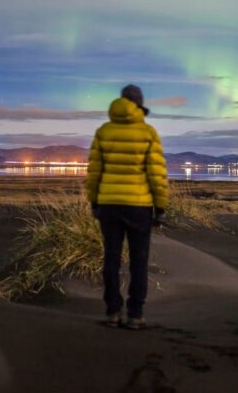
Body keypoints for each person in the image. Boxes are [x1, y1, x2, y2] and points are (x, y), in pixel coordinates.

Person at [86, 84, 168, 329]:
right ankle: (135, 314)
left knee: (111, 258)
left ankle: (112, 311)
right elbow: (156, 174)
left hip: (109, 205)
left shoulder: (103, 131)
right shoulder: (148, 132)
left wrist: (94, 201)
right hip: (139, 206)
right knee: (139, 260)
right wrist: (160, 206)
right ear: (139, 106)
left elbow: (94, 172)